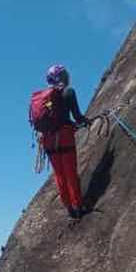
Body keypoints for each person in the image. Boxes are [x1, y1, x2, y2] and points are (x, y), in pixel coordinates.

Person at [39, 64, 91, 219]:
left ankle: (69, 208)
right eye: (65, 74)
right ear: (61, 77)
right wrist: (86, 121)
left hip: (49, 141)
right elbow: (77, 117)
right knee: (70, 173)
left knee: (59, 176)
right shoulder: (68, 91)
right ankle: (79, 206)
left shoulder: (46, 97)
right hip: (64, 137)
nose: (68, 76)